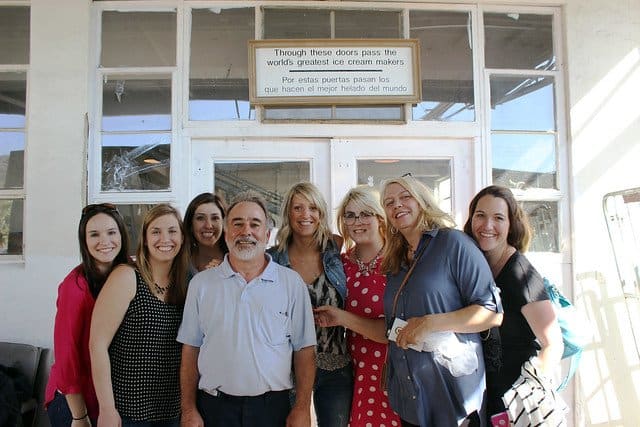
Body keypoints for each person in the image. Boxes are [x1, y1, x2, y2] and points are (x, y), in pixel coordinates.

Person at [178, 191, 316, 427]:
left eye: (255, 224)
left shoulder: (291, 284)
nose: (246, 232)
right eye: (238, 224)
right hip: (214, 409)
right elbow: (191, 350)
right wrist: (188, 409)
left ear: (267, 233)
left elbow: (304, 350)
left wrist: (303, 408)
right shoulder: (201, 285)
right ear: (226, 231)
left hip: (272, 410)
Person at [380, 175, 502, 427]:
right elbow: (392, 328)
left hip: (451, 395)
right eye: (389, 202)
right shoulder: (396, 260)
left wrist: (430, 323)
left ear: (422, 201)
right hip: (410, 398)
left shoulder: (453, 243)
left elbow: (492, 313)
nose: (397, 205)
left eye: (405, 197)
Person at [463, 185, 563, 422]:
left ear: (511, 225)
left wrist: (525, 399)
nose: (487, 226)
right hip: (485, 396)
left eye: (498, 218)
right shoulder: (477, 265)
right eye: (480, 215)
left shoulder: (521, 273)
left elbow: (553, 344)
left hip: (515, 404)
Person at [90, 204, 190, 427]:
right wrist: (107, 409)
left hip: (171, 411)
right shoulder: (127, 277)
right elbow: (97, 345)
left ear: (182, 238)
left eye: (172, 231)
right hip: (128, 411)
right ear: (144, 239)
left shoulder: (185, 285)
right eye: (156, 231)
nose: (165, 238)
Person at [314, 186, 401, 427]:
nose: (357, 222)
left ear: (380, 217)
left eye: (365, 214)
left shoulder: (399, 262)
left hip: (390, 370)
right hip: (351, 372)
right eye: (349, 215)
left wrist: (342, 318)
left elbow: (395, 329)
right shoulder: (339, 265)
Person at [268, 182, 352, 427]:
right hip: (286, 368)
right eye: (298, 208)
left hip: (336, 365)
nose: (306, 215)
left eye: (313, 208)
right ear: (288, 213)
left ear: (321, 214)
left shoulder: (335, 249)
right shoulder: (272, 259)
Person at [45, 203, 130, 426]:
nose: (105, 241)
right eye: (94, 235)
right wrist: (79, 416)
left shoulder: (130, 274)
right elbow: (66, 357)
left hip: (111, 396)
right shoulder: (74, 288)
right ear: (84, 241)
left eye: (112, 232)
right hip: (75, 400)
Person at [184, 192, 228, 274]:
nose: (208, 225)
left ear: (224, 222)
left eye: (215, 218)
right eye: (200, 218)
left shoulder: (235, 261)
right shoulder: (181, 261)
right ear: (190, 224)